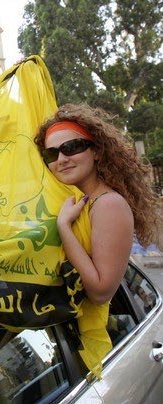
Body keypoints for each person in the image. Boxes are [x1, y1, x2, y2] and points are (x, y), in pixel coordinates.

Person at [34, 104, 159, 305]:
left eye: (71, 147)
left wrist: (64, 227)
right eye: (51, 154)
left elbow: (100, 293)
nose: (61, 159)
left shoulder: (109, 205)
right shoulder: (69, 203)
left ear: (97, 151)